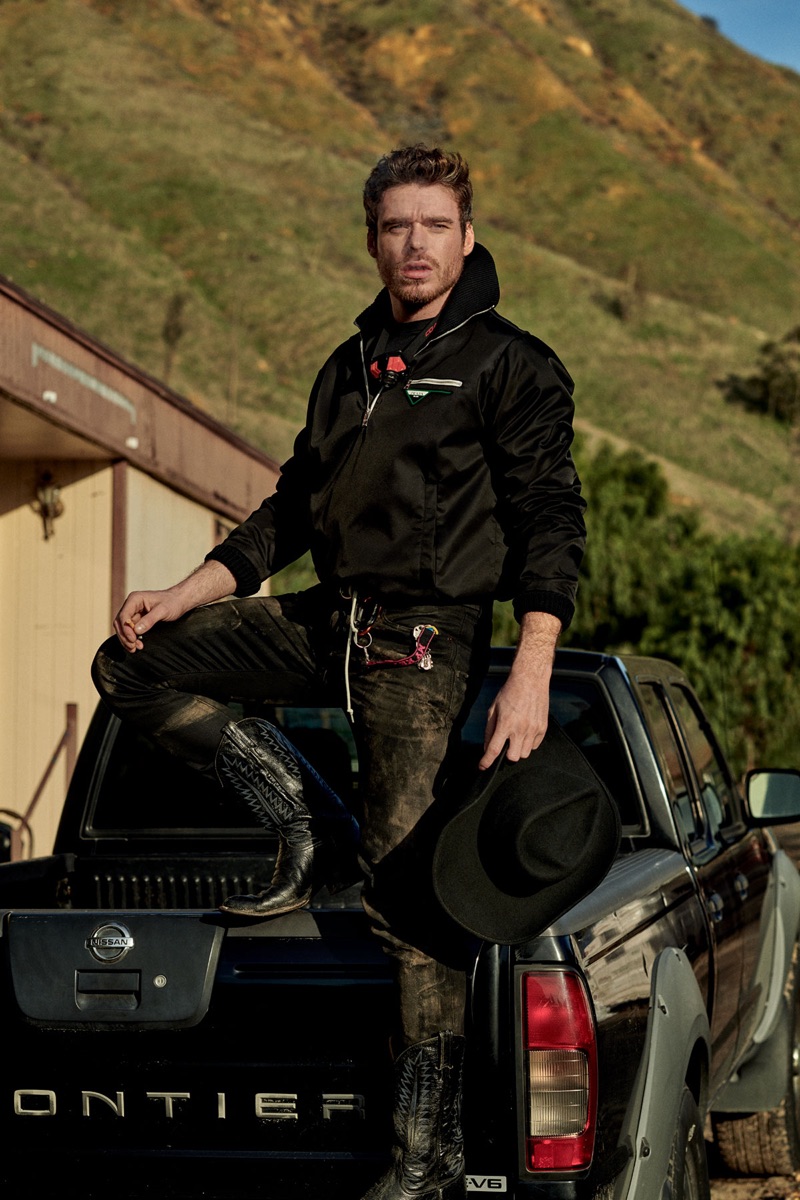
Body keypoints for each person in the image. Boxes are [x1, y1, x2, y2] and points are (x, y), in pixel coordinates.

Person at [91, 144, 586, 1200]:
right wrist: (191, 589)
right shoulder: (350, 364)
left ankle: (423, 1158)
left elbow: (550, 516)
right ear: (371, 237)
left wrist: (533, 655)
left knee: (410, 907)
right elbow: (289, 509)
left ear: (465, 233)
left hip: (422, 639)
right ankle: (302, 824)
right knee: (135, 661)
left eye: (433, 225)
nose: (413, 244)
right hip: (329, 618)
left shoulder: (509, 363)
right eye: (395, 226)